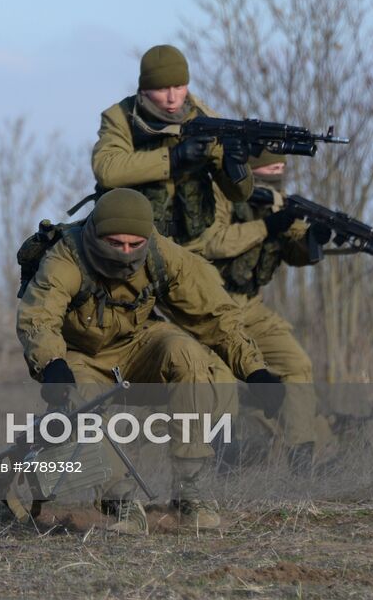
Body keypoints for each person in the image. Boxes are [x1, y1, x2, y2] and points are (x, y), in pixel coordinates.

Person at [17, 189, 281, 532]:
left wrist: (255, 370)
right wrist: (52, 364)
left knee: (187, 354)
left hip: (137, 345)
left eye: (134, 244)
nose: (125, 253)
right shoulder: (66, 256)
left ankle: (190, 493)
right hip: (80, 356)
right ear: (95, 234)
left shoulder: (162, 254)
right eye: (115, 243)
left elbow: (217, 317)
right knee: (78, 399)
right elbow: (39, 317)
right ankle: (121, 503)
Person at [203, 151, 329, 472]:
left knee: (297, 365)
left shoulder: (281, 203)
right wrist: (265, 226)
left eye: (282, 166)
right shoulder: (220, 193)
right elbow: (213, 243)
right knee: (220, 380)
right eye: (272, 164)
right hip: (212, 304)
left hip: (251, 306)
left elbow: (295, 248)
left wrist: (314, 240)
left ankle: (301, 460)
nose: (280, 170)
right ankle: (221, 464)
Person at [90, 44, 253, 253]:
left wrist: (236, 164)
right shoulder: (121, 116)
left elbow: (239, 194)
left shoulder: (205, 118)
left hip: (194, 246)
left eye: (179, 87)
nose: (172, 98)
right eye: (162, 89)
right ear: (144, 89)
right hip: (135, 244)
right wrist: (173, 158)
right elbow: (107, 170)